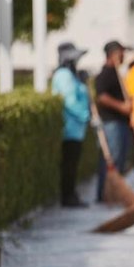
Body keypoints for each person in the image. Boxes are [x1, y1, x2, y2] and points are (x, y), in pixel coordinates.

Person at [51, 42, 91, 208]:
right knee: (69, 164)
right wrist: (85, 115)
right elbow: (70, 101)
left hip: (76, 129)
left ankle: (71, 194)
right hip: (70, 128)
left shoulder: (71, 75)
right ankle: (68, 197)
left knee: (73, 164)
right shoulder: (64, 75)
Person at [95, 40, 132, 202]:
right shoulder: (105, 74)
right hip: (111, 123)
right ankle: (105, 194)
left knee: (120, 159)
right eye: (122, 52)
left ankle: (114, 193)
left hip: (120, 123)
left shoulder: (118, 74)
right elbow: (102, 97)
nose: (124, 55)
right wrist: (121, 107)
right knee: (112, 159)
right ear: (114, 54)